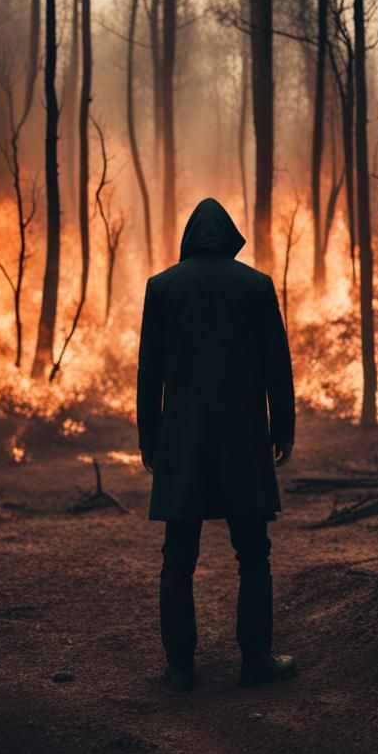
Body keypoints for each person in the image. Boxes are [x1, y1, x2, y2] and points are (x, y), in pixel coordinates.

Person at [137, 198, 297, 692]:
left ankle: (180, 669)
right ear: (230, 239)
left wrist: (149, 438)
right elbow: (277, 367)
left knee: (177, 555)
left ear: (190, 239)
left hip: (182, 441)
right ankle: (255, 663)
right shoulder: (256, 286)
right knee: (253, 553)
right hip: (243, 439)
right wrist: (283, 430)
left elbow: (150, 374)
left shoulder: (162, 287)